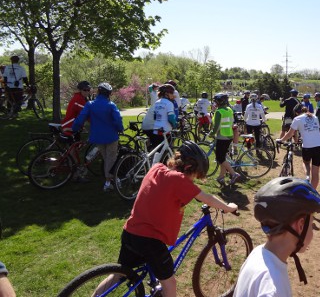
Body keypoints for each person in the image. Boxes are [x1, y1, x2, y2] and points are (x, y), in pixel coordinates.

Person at [96, 141, 238, 297]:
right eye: (194, 177)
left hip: (131, 232)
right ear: (188, 168)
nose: (193, 181)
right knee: (170, 283)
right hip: (150, 240)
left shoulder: (157, 168)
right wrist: (229, 207)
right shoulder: (179, 179)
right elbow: (208, 198)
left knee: (119, 273)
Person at [233, 177, 320, 296]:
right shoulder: (273, 290)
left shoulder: (258, 253)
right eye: (312, 224)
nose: (312, 230)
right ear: (300, 225)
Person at [73, 82, 124, 192]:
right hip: (111, 136)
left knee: (106, 158)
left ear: (98, 92)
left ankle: (110, 179)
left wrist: (74, 128)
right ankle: (108, 181)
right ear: (109, 94)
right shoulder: (111, 105)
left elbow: (81, 118)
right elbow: (118, 120)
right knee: (111, 158)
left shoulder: (90, 104)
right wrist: (120, 129)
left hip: (97, 136)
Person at [277, 106, 320, 189]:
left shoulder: (297, 119)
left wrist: (281, 140)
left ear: (296, 112)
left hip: (308, 146)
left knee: (306, 162)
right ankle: (313, 191)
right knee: (316, 172)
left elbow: (290, 134)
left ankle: (307, 176)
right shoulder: (314, 117)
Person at [209, 93, 241, 186]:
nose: (215, 103)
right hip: (229, 135)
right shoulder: (229, 109)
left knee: (219, 158)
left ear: (219, 102)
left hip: (222, 136)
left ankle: (234, 174)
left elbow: (217, 126)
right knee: (223, 157)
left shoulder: (219, 112)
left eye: (216, 101)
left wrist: (212, 133)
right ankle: (221, 177)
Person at [150, 84, 177, 149]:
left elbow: (155, 116)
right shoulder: (169, 103)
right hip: (165, 130)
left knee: (157, 152)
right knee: (167, 152)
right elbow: (171, 118)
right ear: (166, 93)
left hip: (156, 129)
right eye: (171, 93)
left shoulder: (157, 102)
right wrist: (175, 124)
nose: (173, 95)